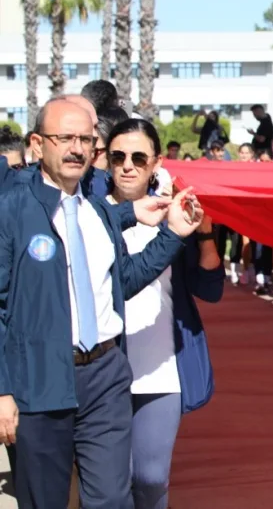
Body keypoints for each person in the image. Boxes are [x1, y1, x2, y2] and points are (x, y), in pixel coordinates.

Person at [0, 98, 203, 508]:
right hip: (39, 381)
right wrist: (3, 391)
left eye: (84, 140)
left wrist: (174, 235)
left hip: (106, 376)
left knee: (112, 499)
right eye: (64, 138)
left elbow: (124, 281)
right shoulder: (12, 211)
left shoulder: (99, 214)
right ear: (38, 145)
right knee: (44, 500)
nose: (76, 148)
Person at [105, 118, 225, 509]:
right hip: (103, 374)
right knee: (112, 484)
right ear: (105, 160)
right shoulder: (90, 214)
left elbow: (210, 289)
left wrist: (202, 231)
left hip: (162, 371)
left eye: (139, 157)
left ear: (156, 162)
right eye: (118, 156)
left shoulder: (176, 211)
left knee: (152, 479)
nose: (128, 165)